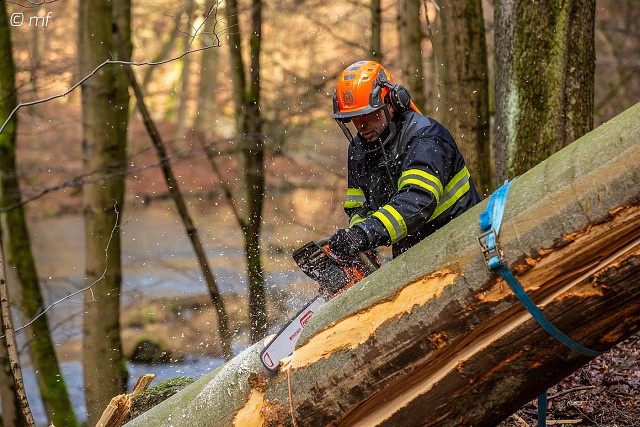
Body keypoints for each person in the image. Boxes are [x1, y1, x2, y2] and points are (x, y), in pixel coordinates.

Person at [326, 60, 481, 260]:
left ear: (391, 103)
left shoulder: (425, 137)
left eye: (368, 115)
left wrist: (365, 234)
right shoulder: (359, 150)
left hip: (460, 241)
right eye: (354, 117)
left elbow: (417, 201)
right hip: (412, 256)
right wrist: (357, 241)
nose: (361, 125)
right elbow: (359, 207)